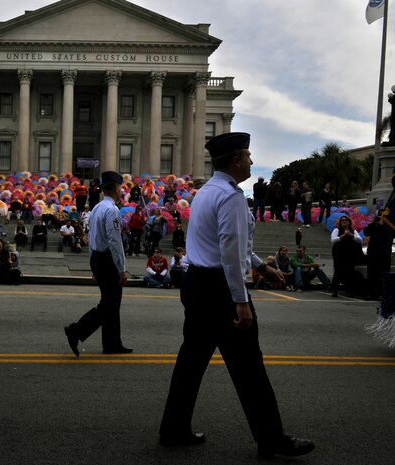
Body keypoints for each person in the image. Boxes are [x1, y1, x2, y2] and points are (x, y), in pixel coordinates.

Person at [159, 132, 314, 458]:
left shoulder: (204, 192)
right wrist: (241, 301)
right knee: (249, 368)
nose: (251, 161)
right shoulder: (230, 197)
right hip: (220, 290)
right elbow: (230, 252)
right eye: (247, 156)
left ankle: (173, 428)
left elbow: (228, 243)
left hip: (198, 283)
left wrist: (260, 266)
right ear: (234, 161)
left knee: (191, 362)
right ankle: (271, 440)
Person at [64, 171, 132, 356]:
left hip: (97, 258)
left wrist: (93, 265)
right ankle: (76, 330)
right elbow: (115, 242)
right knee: (110, 304)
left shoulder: (97, 208)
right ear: (117, 189)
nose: (122, 191)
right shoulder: (112, 210)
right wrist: (122, 269)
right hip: (107, 260)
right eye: (121, 188)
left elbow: (92, 238)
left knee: (111, 302)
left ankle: (112, 344)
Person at [363, 210, 395, 300]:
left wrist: (383, 226)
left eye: (382, 216)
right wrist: (374, 224)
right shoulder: (373, 226)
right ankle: (372, 293)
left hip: (384, 255)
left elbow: (391, 235)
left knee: (384, 275)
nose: (380, 218)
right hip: (373, 254)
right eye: (379, 216)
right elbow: (366, 232)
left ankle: (383, 294)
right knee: (372, 275)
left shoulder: (390, 226)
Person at [330, 215, 363, 298]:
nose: (344, 221)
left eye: (346, 220)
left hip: (350, 254)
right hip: (339, 253)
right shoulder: (336, 230)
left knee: (349, 272)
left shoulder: (353, 231)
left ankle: (349, 290)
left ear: (349, 222)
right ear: (340, 222)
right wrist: (343, 235)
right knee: (338, 271)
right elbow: (333, 240)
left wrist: (350, 235)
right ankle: (334, 290)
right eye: (342, 220)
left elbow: (359, 240)